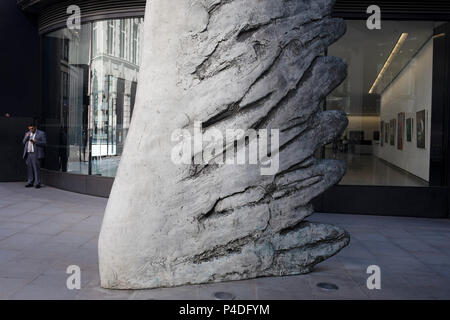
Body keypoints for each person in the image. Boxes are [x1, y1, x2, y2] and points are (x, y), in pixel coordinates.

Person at [23, 124, 47, 188]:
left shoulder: (41, 133)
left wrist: (35, 141)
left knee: (36, 169)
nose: (31, 130)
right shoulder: (27, 133)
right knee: (29, 169)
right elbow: (23, 142)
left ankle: (37, 183)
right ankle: (30, 182)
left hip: (36, 154)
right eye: (29, 129)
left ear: (35, 127)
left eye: (32, 128)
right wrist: (26, 137)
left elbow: (44, 143)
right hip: (28, 153)